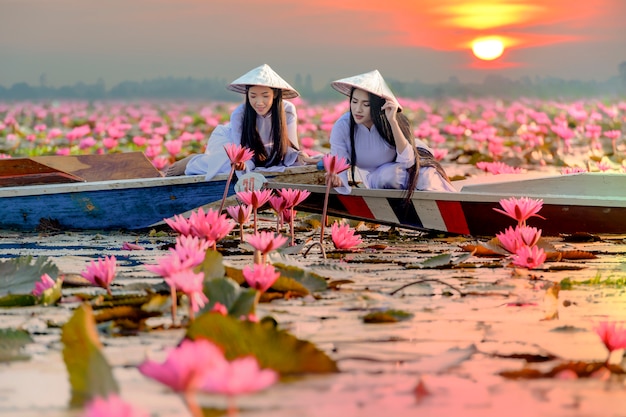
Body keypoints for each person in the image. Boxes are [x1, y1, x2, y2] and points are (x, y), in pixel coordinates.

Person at [166, 64, 314, 179]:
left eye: (265, 96)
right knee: (226, 166)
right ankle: (193, 161)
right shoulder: (239, 114)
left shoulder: (287, 111)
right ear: (247, 94)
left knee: (301, 161)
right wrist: (243, 164)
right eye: (253, 96)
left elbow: (290, 149)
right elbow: (239, 151)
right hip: (233, 143)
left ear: (275, 94)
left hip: (268, 149)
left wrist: (300, 156)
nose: (259, 102)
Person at [327, 69, 456, 194]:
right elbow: (339, 162)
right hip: (382, 177)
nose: (358, 109)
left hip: (414, 166)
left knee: (426, 179)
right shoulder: (343, 126)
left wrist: (393, 122)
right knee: (389, 176)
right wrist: (337, 179)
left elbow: (408, 161)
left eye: (366, 104)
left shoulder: (391, 120)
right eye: (354, 102)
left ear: (378, 106)